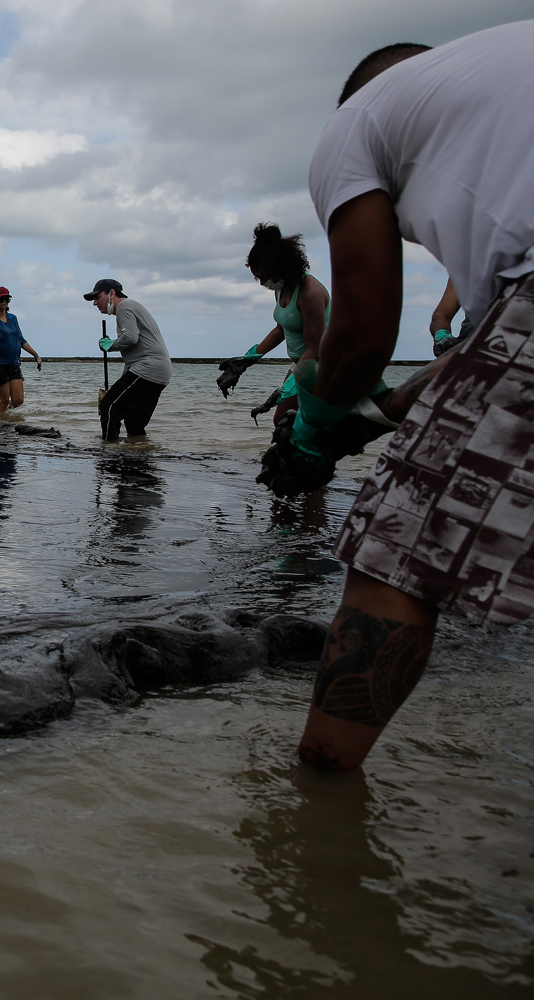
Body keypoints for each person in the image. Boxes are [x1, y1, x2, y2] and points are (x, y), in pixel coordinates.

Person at [257, 27, 534, 773]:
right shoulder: (503, 85)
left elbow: (362, 334)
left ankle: (314, 794)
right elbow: (477, 374)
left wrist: (316, 430)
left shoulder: (356, 122)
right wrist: (367, 426)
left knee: (395, 547)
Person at [215, 224, 331, 423]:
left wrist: (284, 391)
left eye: (263, 277)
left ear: (279, 268)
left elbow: (314, 350)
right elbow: (280, 329)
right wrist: (247, 360)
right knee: (280, 421)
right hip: (300, 364)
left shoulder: (310, 293)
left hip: (324, 365)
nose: (262, 284)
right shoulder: (281, 289)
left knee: (305, 426)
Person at [86, 279, 171, 441]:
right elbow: (134, 353)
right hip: (160, 372)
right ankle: (138, 458)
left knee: (108, 408)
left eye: (97, 297)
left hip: (148, 368)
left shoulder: (124, 307)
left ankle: (109, 454)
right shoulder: (132, 307)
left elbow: (130, 338)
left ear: (112, 293)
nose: (95, 303)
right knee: (134, 422)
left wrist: (111, 345)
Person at [0, 286, 41, 413]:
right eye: (1, 299)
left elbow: (21, 340)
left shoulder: (13, 318)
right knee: (4, 401)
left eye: (7, 298)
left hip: (13, 364)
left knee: (18, 401)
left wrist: (36, 355)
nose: (4, 301)